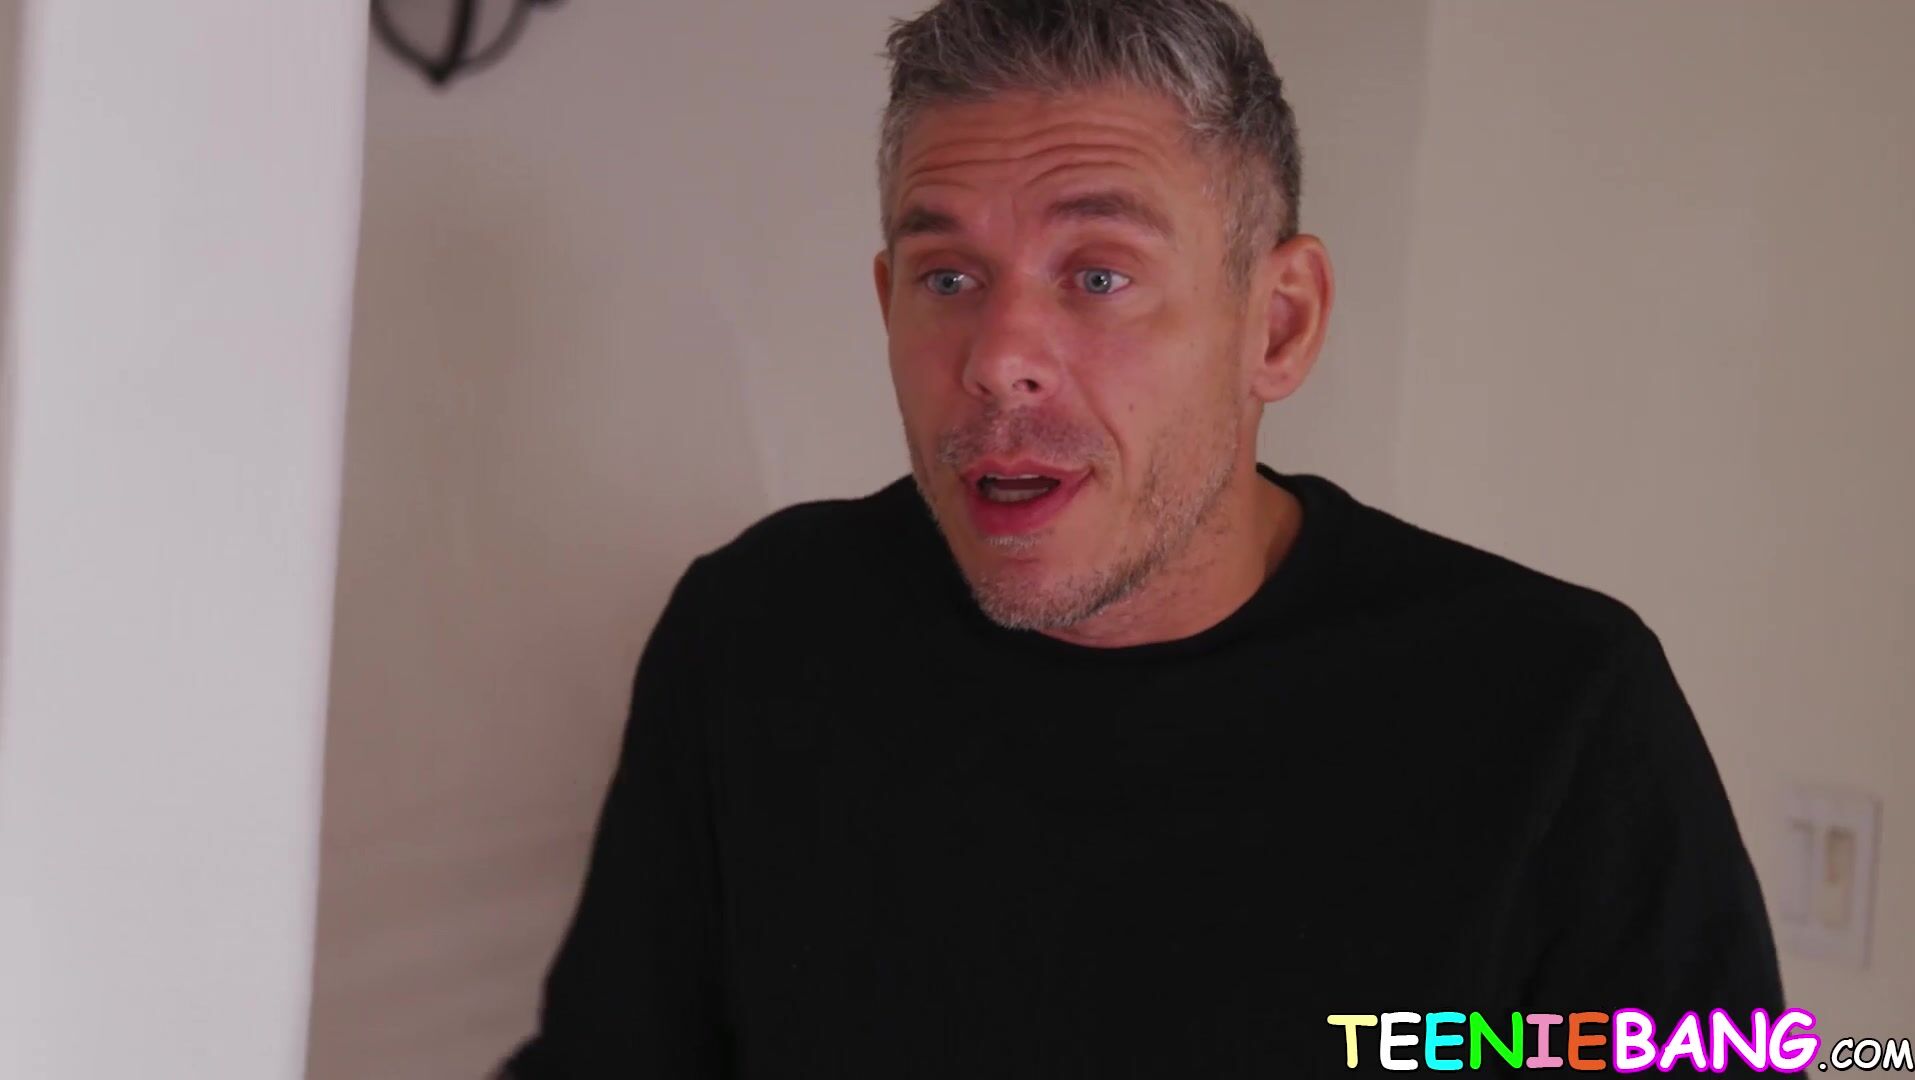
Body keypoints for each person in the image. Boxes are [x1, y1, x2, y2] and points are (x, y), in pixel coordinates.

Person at [499, 1, 1782, 1075]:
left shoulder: (1553, 704)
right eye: (948, 280)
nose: (998, 359)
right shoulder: (758, 633)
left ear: (1276, 324)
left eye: (1098, 275)